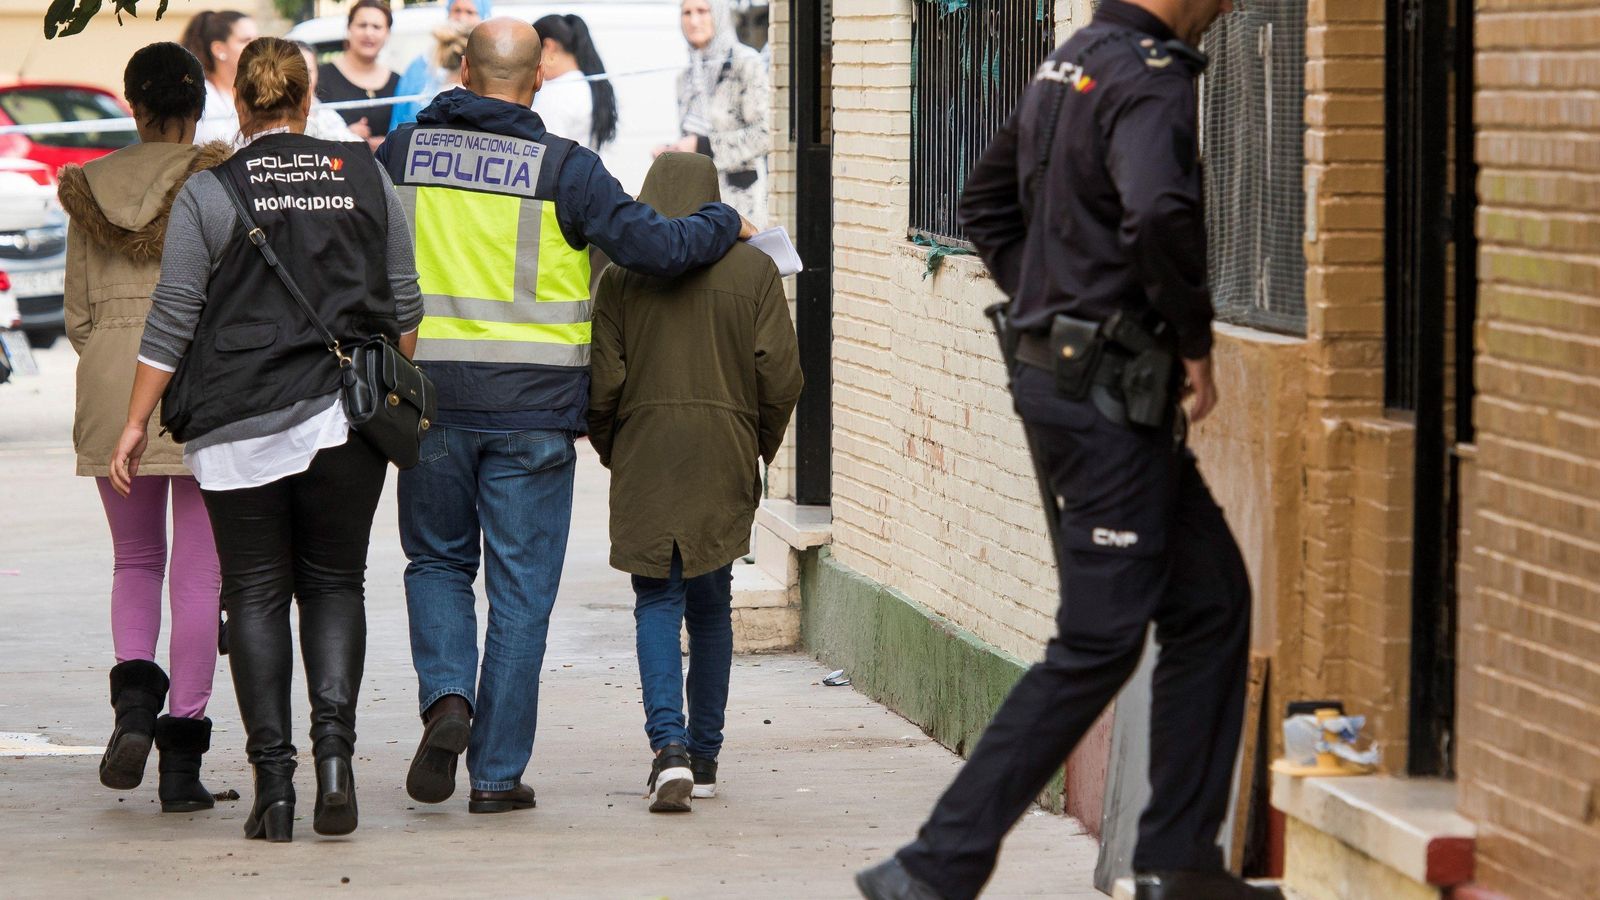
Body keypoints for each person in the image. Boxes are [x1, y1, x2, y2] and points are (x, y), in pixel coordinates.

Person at [855, 2, 1278, 900]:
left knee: (1210, 602)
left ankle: (1177, 860)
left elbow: (981, 204)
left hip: (1082, 388)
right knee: (1100, 638)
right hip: (1105, 404)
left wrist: (1052, 310)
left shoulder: (1073, 61)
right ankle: (936, 865)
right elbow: (1160, 211)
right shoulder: (1148, 76)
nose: (1230, 7)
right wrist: (1189, 339)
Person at [376, 17, 754, 815]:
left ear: (464, 71)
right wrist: (723, 220)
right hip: (532, 416)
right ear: (538, 77)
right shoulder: (566, 169)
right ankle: (496, 777)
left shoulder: (403, 152)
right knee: (519, 597)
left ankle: (448, 698)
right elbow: (654, 249)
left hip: (429, 405)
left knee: (437, 564)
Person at [111, 36, 424, 843]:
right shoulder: (366, 176)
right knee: (334, 585)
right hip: (345, 423)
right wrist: (380, 384)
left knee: (253, 594)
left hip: (237, 427)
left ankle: (274, 789)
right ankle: (335, 765)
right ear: (309, 97)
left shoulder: (211, 194)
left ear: (242, 105)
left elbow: (172, 321)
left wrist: (137, 421)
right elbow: (406, 306)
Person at [589, 151, 802, 813]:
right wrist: (754, 446)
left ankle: (669, 749)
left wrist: (614, 448)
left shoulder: (622, 276)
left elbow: (603, 383)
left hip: (648, 450)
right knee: (711, 604)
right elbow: (781, 377)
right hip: (725, 449)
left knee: (657, 599)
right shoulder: (756, 270)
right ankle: (704, 757)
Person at [58, 41, 228, 816]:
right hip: (196, 382)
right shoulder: (214, 178)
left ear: (132, 104)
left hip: (109, 381)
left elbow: (77, 317)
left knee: (135, 558)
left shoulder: (88, 187)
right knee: (201, 574)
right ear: (196, 107)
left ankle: (132, 706)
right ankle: (181, 759)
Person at [655, 0, 769, 222]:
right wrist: (675, 150)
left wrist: (703, 146)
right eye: (686, 13)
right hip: (698, 203)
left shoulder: (744, 63)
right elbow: (693, 134)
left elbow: (765, 135)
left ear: (718, 14)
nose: (694, 21)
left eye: (702, 11)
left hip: (741, 204)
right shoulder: (686, 77)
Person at [389, 0, 488, 133]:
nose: (462, 18)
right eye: (457, 10)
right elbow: (399, 118)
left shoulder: (489, 68)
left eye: (470, 12)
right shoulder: (421, 65)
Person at [317, 0, 401, 152]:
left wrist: (389, 144)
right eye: (362, 25)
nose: (369, 33)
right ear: (349, 28)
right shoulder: (321, 77)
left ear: (387, 33)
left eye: (377, 27)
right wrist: (343, 135)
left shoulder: (399, 82)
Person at [530, 13, 617, 152]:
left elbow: (547, 155)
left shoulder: (557, 93)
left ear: (549, 47)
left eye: (533, 54)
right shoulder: (590, 86)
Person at [180, 10, 259, 145]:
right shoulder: (200, 97)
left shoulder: (260, 90)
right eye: (246, 40)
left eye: (257, 39)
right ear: (219, 49)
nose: (257, 47)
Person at [295, 42, 361, 142]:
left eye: (308, 72)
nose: (302, 78)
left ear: (317, 73)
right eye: (295, 71)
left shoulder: (328, 116)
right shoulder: (268, 117)